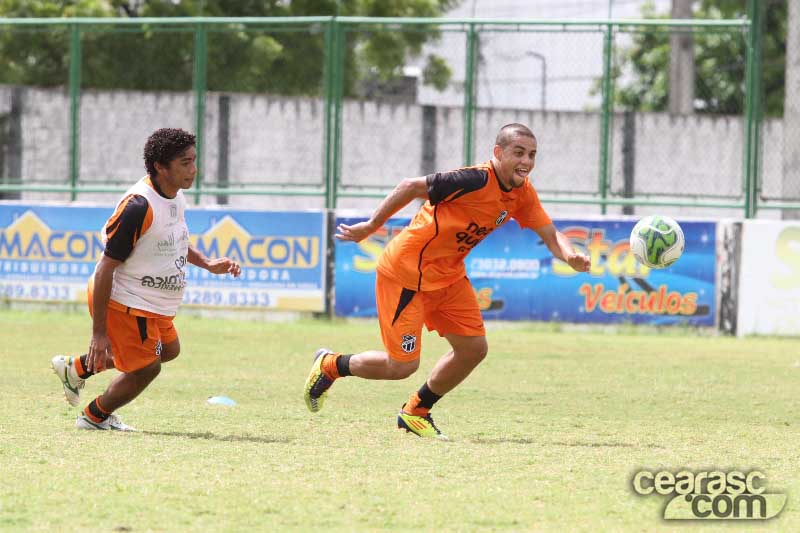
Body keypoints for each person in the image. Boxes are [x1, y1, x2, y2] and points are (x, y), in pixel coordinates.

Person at [304, 123, 591, 440]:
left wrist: (570, 255)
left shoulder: (522, 193)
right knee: (400, 367)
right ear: (498, 153)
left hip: (449, 278)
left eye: (532, 155)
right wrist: (371, 226)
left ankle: (416, 411)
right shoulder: (474, 179)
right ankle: (332, 365)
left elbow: (550, 234)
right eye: (518, 153)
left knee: (473, 349)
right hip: (406, 275)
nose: (526, 161)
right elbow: (410, 186)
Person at [51, 128, 241, 431]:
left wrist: (206, 263)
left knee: (169, 350)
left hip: (151, 302)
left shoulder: (176, 196)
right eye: (184, 163)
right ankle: (94, 416)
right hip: (125, 302)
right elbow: (104, 269)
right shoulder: (138, 207)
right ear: (159, 167)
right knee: (146, 368)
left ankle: (77, 368)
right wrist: (99, 333)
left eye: (194, 160)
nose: (193, 170)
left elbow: (172, 239)